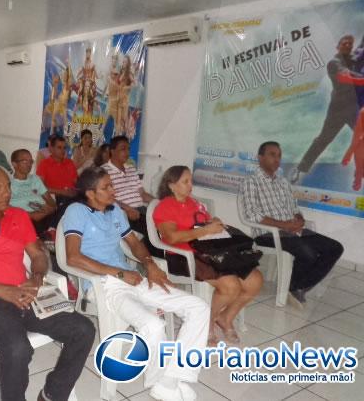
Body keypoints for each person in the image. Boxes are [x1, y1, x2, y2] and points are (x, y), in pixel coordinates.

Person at [0, 165, 95, 401]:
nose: (6, 193)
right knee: (17, 349)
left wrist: (36, 277)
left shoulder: (19, 216)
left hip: (25, 294)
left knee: (83, 330)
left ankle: (52, 394)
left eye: (8, 186)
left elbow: (38, 254)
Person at [64, 167, 209, 401]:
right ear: (90, 193)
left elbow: (134, 243)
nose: (113, 190)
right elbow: (72, 257)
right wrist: (119, 273)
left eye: (112, 185)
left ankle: (170, 380)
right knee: (153, 326)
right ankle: (162, 384)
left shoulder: (115, 212)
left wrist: (150, 264)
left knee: (199, 307)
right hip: (104, 285)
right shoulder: (76, 211)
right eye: (106, 187)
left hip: (133, 278)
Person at [154, 166, 263, 346]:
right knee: (231, 286)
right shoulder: (165, 206)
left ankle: (225, 318)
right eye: (185, 182)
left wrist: (214, 223)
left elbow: (206, 226)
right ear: (171, 185)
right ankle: (206, 324)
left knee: (255, 280)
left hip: (211, 252)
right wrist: (205, 230)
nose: (191, 185)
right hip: (183, 256)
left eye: (191, 180)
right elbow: (171, 237)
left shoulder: (195, 203)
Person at [240, 141, 343, 306]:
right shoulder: (251, 182)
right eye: (272, 155)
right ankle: (295, 287)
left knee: (335, 248)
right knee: (308, 253)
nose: (277, 159)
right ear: (260, 158)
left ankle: (299, 286)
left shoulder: (283, 183)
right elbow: (252, 214)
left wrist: (298, 219)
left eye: (279, 156)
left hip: (292, 230)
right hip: (267, 234)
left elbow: (294, 208)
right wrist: (284, 225)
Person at [291, 35, 360, 183]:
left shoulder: (354, 60)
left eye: (350, 44)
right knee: (323, 139)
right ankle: (300, 169)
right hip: (338, 110)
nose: (348, 45)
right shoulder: (334, 63)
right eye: (344, 43)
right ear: (338, 46)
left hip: (353, 108)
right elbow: (345, 78)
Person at [101, 135, 157, 255]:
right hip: (122, 212)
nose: (127, 152)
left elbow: (142, 194)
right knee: (151, 231)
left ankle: (161, 260)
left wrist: (159, 203)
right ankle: (152, 262)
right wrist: (127, 209)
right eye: (123, 149)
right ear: (112, 151)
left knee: (162, 224)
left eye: (128, 149)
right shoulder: (104, 171)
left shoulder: (131, 169)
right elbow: (107, 198)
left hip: (141, 209)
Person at [10, 149, 56, 234]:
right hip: (23, 219)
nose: (29, 164)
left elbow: (50, 200)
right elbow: (5, 208)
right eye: (25, 161)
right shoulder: (8, 183)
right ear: (14, 164)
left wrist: (50, 208)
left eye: (31, 161)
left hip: (43, 214)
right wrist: (30, 215)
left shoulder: (35, 179)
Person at [36, 135, 78, 224]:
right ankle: (53, 228)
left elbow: (76, 182)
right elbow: (39, 187)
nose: (63, 150)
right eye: (59, 147)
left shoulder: (69, 163)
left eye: (64, 148)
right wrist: (62, 192)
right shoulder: (44, 164)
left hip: (70, 195)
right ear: (51, 149)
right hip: (54, 196)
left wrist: (78, 190)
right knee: (65, 202)